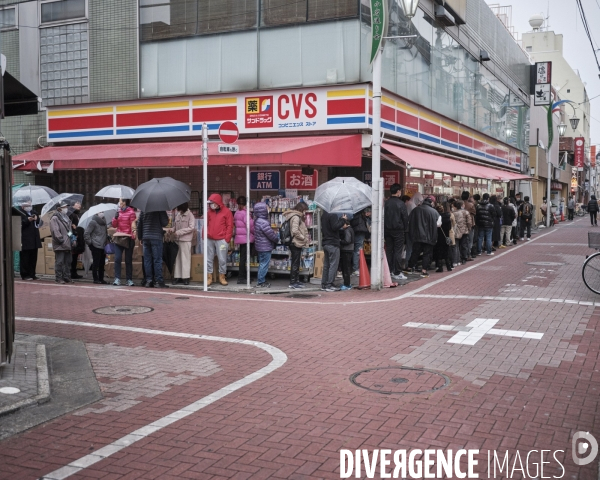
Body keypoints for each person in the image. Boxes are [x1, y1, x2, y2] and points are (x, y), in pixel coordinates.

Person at [405, 197, 440, 278]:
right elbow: (439, 224)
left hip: (417, 235)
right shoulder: (434, 212)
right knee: (427, 253)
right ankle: (424, 270)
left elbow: (409, 220)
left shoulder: (415, 210)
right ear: (431, 203)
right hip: (429, 236)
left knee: (415, 252)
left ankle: (409, 267)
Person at [206, 193, 233, 286]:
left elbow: (230, 226)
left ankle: (222, 276)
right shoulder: (209, 212)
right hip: (209, 238)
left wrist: (226, 239)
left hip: (221, 239)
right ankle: (209, 277)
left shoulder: (227, 212)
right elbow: (206, 225)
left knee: (222, 259)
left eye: (212, 203)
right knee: (208, 258)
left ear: (217, 202)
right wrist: (204, 235)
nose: (211, 205)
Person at [138, 209, 169, 288]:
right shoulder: (160, 208)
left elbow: (139, 224)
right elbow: (165, 222)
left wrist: (140, 237)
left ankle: (149, 280)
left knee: (147, 260)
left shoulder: (143, 209)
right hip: (156, 237)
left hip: (145, 237)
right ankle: (159, 281)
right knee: (157, 260)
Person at [384, 183, 408, 280]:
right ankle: (397, 272)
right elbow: (405, 218)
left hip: (387, 230)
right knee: (398, 251)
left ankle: (388, 270)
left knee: (389, 250)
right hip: (398, 230)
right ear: (398, 191)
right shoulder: (401, 203)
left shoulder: (386, 203)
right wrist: (405, 229)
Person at [283, 202, 310, 289]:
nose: (305, 212)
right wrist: (303, 237)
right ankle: (293, 282)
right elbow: (294, 231)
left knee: (296, 262)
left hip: (295, 242)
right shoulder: (296, 217)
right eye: (305, 210)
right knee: (295, 263)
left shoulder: (295, 216)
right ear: (301, 209)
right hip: (295, 242)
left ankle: (296, 281)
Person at [111, 198, 137, 286]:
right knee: (117, 259)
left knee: (128, 260)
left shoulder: (131, 212)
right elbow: (114, 225)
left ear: (125, 202)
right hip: (119, 237)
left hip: (128, 238)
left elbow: (133, 225)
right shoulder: (118, 212)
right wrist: (115, 218)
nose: (119, 203)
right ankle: (117, 278)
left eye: (120, 201)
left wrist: (133, 235)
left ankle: (129, 279)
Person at [253, 202, 279, 288]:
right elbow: (270, 235)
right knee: (264, 264)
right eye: (266, 208)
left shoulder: (257, 220)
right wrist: (276, 238)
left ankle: (261, 280)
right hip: (265, 247)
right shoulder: (263, 222)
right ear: (262, 211)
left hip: (260, 246)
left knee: (262, 263)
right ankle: (261, 282)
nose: (268, 209)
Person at [321, 209, 347, 291]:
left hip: (325, 242)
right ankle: (329, 284)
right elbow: (334, 227)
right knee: (333, 264)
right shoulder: (333, 214)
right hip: (333, 242)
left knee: (327, 264)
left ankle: (324, 284)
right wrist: (343, 220)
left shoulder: (324, 214)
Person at [17, 201, 42, 280]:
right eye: (27, 205)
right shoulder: (20, 214)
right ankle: (25, 274)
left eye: (30, 205)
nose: (29, 207)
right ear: (23, 206)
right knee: (25, 258)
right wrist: (28, 220)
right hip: (25, 240)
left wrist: (37, 219)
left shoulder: (34, 213)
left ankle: (32, 273)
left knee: (33, 258)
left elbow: (41, 223)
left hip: (34, 239)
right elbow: (18, 225)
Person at [171, 203, 195, 285]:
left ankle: (185, 277)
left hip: (186, 240)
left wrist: (179, 232)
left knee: (185, 259)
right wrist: (172, 230)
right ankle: (177, 276)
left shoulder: (190, 215)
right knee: (177, 259)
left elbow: (191, 228)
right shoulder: (178, 215)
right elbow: (175, 226)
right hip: (177, 240)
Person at [50, 202, 74, 284]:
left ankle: (66, 276)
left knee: (68, 261)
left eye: (66, 207)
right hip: (60, 244)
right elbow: (55, 231)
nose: (66, 208)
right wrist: (61, 240)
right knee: (59, 261)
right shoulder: (55, 218)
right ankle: (59, 277)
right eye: (64, 207)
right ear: (59, 208)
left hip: (67, 243)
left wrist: (72, 239)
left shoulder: (67, 218)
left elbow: (69, 231)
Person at [233, 196, 255, 285]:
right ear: (246, 203)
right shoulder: (245, 214)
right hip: (247, 238)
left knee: (242, 258)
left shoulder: (237, 212)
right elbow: (250, 226)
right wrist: (255, 233)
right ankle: (241, 277)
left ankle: (244, 276)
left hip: (240, 238)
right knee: (244, 259)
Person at [84, 210, 108, 284]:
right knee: (96, 262)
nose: (102, 213)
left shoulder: (104, 222)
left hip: (103, 245)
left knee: (102, 263)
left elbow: (105, 233)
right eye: (100, 212)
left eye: (102, 211)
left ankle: (101, 278)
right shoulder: (93, 222)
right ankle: (95, 278)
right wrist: (90, 243)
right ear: (96, 213)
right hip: (95, 245)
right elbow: (86, 233)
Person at [350, 208, 370, 276]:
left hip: (354, 231)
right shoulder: (359, 212)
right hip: (359, 231)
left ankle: (355, 268)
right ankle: (356, 268)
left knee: (355, 250)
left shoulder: (352, 211)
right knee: (358, 250)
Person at [434, 203, 453, 272]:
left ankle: (440, 267)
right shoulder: (448, 218)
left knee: (439, 252)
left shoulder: (438, 218)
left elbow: (436, 226)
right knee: (446, 252)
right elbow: (450, 227)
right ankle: (448, 266)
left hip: (439, 237)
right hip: (446, 236)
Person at [453, 200, 472, 265]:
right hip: (464, 231)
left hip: (457, 231)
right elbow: (469, 222)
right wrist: (469, 229)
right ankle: (464, 258)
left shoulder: (454, 213)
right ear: (462, 205)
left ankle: (456, 259)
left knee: (456, 246)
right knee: (464, 245)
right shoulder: (466, 212)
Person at [69, 201, 85, 279]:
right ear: (72, 205)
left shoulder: (77, 214)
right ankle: (71, 272)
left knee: (75, 256)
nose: (79, 205)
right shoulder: (70, 214)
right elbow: (68, 228)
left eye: (80, 204)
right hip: (73, 238)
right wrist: (72, 232)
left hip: (78, 237)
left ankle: (74, 272)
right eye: (77, 203)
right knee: (72, 256)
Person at [339, 218, 354, 291]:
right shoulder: (351, 229)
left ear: (345, 224)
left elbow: (347, 240)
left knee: (345, 268)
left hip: (346, 250)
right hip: (350, 250)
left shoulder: (347, 230)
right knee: (347, 267)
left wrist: (340, 241)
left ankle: (347, 284)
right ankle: (347, 283)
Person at [461, 191, 476, 261]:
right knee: (469, 240)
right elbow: (474, 213)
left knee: (462, 240)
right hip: (470, 224)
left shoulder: (459, 204)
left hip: (461, 224)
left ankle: (462, 254)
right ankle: (468, 254)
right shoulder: (471, 205)